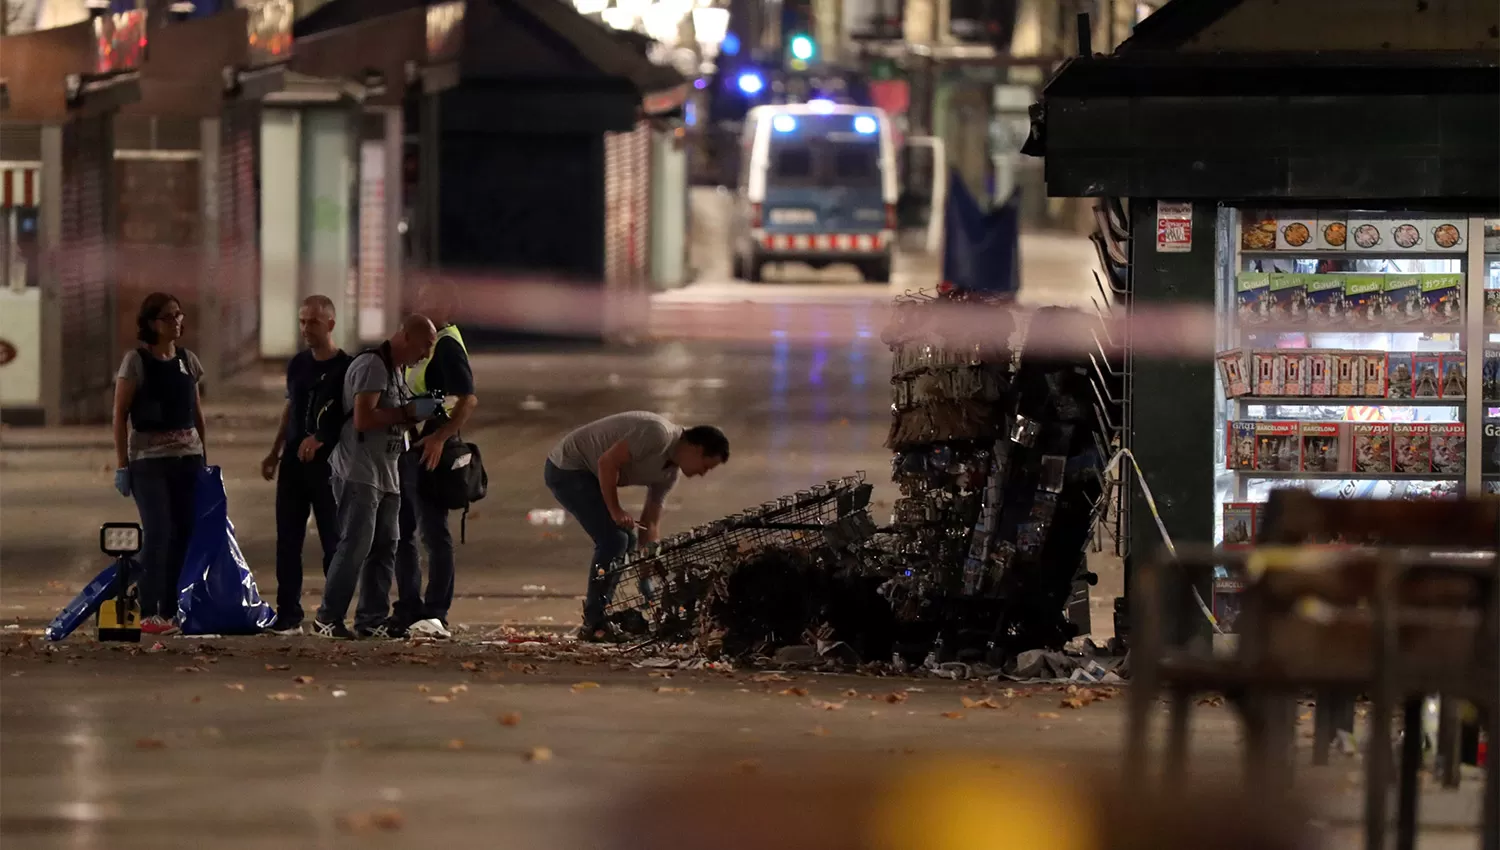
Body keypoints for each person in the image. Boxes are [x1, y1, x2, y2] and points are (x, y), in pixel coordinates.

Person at [544, 412, 729, 639]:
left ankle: (600, 616)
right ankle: (595, 622)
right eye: (706, 467)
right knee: (614, 540)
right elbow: (607, 462)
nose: (702, 474)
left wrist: (646, 575)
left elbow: (650, 523)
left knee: (628, 538)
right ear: (697, 450)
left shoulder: (669, 475)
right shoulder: (658, 434)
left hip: (590, 473)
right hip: (568, 467)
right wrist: (615, 511)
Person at [312, 315, 439, 640]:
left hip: (387, 471)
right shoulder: (372, 365)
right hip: (359, 471)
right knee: (356, 545)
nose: (426, 354)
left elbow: (393, 418)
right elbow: (363, 418)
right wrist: (407, 413)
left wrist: (420, 414)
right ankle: (328, 618)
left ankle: (371, 620)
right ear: (407, 337)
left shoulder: (397, 371)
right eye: (425, 345)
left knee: (386, 546)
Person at [111, 292, 208, 636]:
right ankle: (149, 608)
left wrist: (204, 459)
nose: (177, 321)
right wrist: (123, 464)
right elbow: (120, 413)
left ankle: (170, 609)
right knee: (159, 532)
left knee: (183, 533)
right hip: (149, 463)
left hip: (187, 459)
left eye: (179, 315)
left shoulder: (187, 360)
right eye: (169, 317)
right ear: (152, 323)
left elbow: (196, 413)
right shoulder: (135, 361)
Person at [260, 295, 351, 635]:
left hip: (329, 469)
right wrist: (275, 451)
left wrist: (323, 439)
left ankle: (332, 615)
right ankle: (288, 614)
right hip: (294, 466)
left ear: (330, 323)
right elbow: (291, 408)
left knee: (333, 540)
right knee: (288, 541)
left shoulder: (346, 367)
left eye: (312, 322)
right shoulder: (298, 364)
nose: (305, 329)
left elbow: (351, 416)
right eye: (301, 321)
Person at [392, 282, 477, 639]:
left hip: (432, 448)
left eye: (427, 302)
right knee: (408, 530)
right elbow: (434, 395)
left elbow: (466, 399)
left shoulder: (445, 345)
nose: (419, 306)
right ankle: (410, 607)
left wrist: (440, 437)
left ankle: (434, 610)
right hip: (418, 443)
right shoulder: (434, 343)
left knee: (431, 532)